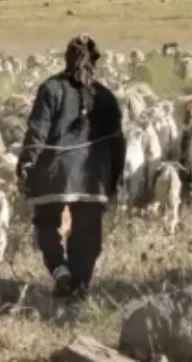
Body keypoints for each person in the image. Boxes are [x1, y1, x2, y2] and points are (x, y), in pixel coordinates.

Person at [17, 35, 126, 300]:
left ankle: (60, 270)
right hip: (92, 177)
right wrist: (114, 179)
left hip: (53, 173)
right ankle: (80, 286)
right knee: (87, 232)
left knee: (45, 223)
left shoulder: (51, 89)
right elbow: (117, 142)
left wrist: (26, 164)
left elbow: (37, 130)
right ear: (95, 62)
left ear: (66, 59)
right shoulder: (106, 97)